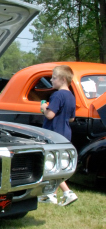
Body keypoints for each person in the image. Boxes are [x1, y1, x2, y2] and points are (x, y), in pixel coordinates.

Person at [38, 65, 78, 207]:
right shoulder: (71, 96)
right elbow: (72, 118)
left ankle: (68, 193)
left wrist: (44, 108)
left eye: (54, 78)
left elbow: (50, 115)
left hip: (54, 132)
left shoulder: (57, 95)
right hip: (65, 132)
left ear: (62, 79)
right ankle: (51, 195)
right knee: (58, 164)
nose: (51, 80)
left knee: (51, 165)